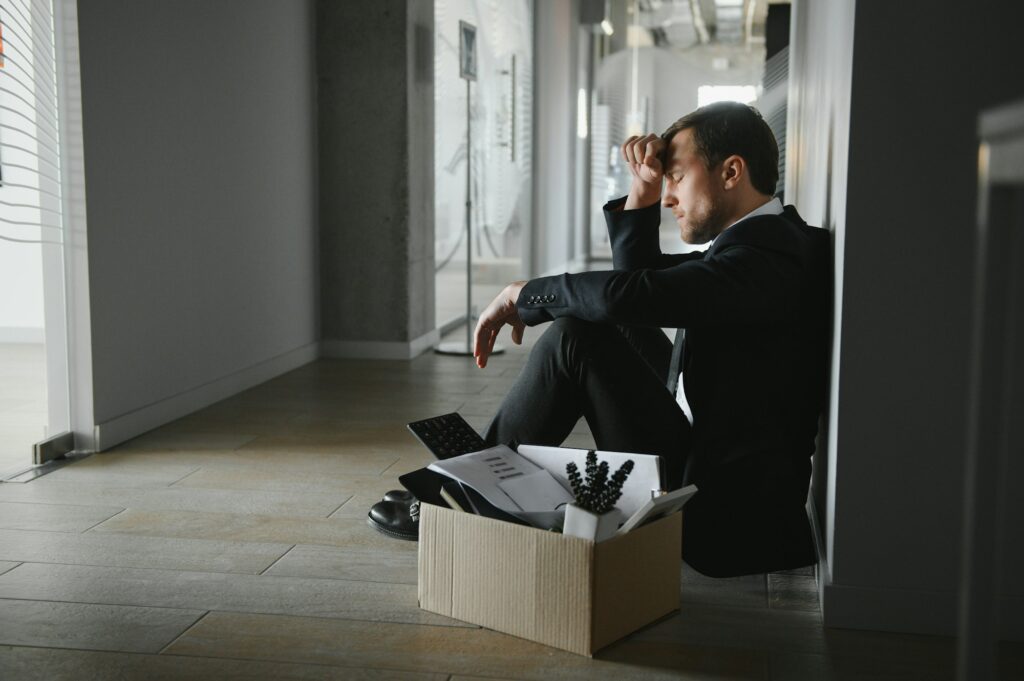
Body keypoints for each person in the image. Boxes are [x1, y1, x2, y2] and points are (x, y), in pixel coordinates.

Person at [471, 102, 829, 577]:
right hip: (707, 448)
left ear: (731, 172)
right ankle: (475, 482)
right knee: (607, 316)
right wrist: (643, 185)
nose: (668, 197)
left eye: (676, 177)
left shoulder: (765, 262)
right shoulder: (769, 244)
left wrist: (527, 295)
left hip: (721, 515)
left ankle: (470, 498)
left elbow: (627, 294)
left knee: (574, 338)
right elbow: (635, 291)